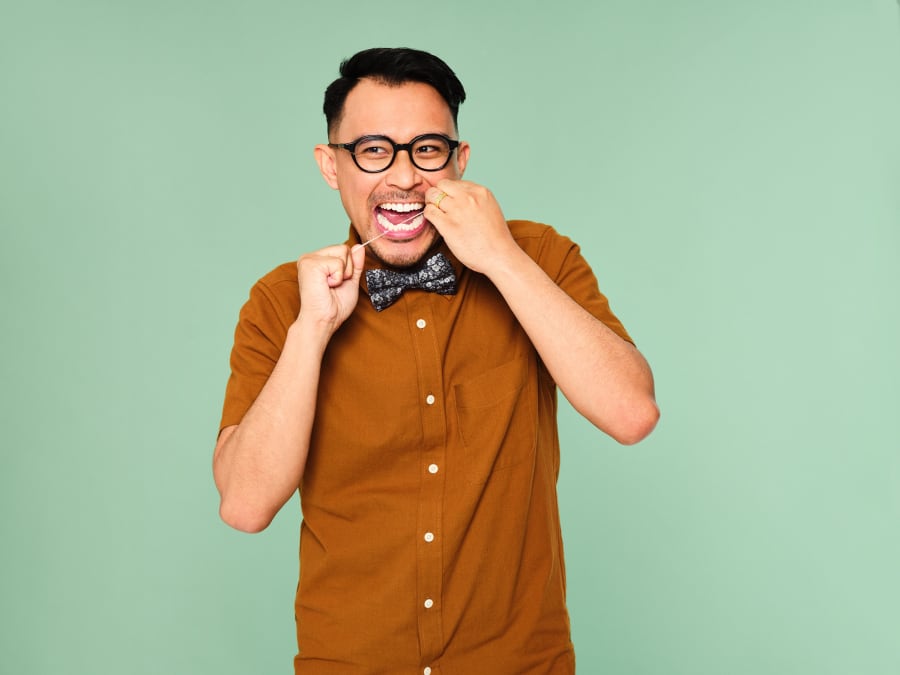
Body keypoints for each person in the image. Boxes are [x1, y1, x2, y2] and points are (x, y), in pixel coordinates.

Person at [214, 47, 658, 675]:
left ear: (460, 161)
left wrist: (502, 259)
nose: (402, 177)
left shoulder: (541, 258)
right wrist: (311, 332)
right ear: (330, 166)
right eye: (373, 150)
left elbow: (632, 413)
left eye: (427, 149)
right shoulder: (280, 302)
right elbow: (245, 505)